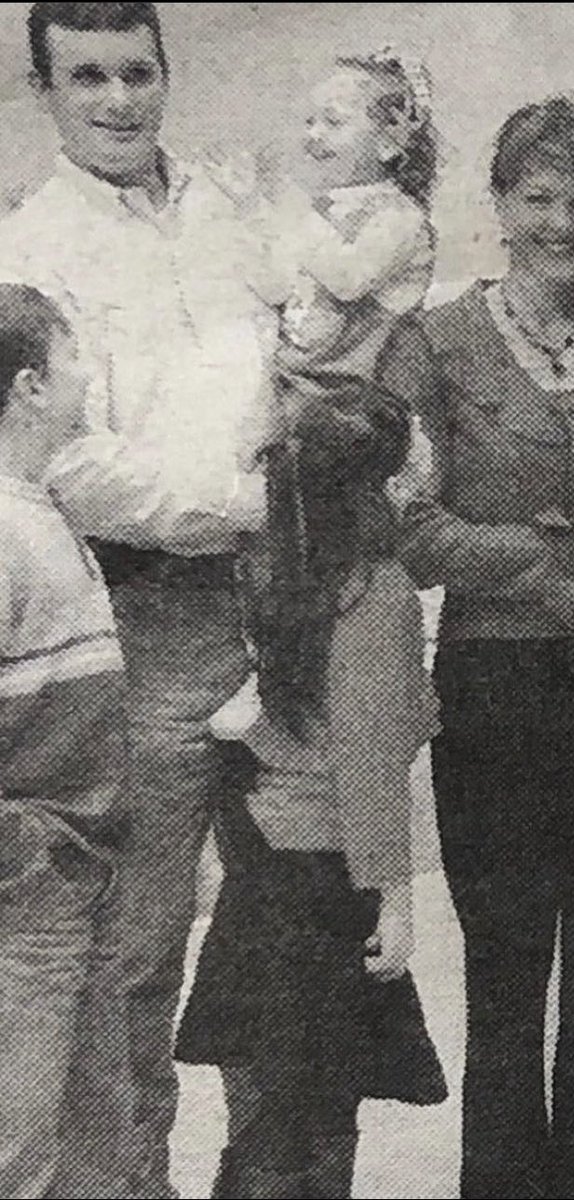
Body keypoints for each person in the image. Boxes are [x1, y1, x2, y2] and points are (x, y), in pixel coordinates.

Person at [0, 6, 277, 1195]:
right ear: (44, 91)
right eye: (88, 78)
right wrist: (238, 507)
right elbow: (69, 461)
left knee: (290, 937)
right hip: (145, 622)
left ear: (167, 74)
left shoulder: (231, 212)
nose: (118, 101)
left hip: (279, 614)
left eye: (138, 73)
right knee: (135, 954)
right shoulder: (29, 247)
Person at [376, 95, 574, 1200]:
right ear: (497, 203)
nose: (560, 221)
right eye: (537, 197)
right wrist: (561, 540)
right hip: (493, 691)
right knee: (504, 976)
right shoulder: (430, 345)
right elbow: (405, 531)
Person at [174, 371, 442, 1200]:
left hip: (261, 869)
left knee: (260, 1114)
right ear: (386, 484)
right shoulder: (380, 592)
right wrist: (395, 899)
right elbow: (369, 768)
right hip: (328, 883)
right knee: (318, 1123)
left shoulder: (268, 574)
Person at [204, 42, 440, 734]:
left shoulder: (398, 218)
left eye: (333, 122)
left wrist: (286, 208)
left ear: (392, 138)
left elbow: (342, 277)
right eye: (310, 121)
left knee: (318, 556)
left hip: (354, 411)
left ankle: (311, 681)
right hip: (301, 397)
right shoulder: (325, 212)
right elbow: (282, 288)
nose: (313, 137)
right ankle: (270, 672)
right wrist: (251, 210)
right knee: (264, 543)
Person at [0, 284, 131, 1198]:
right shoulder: (6, 530)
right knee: (17, 1141)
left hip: (75, 869)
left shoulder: (39, 512)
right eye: (74, 354)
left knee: (87, 1141)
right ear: (31, 387)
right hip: (31, 877)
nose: (91, 373)